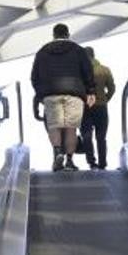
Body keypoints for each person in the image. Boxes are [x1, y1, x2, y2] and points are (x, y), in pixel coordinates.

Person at [30, 23, 96, 172]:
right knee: (71, 129)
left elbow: (34, 77)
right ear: (67, 34)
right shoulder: (78, 50)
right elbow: (87, 71)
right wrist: (90, 91)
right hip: (74, 93)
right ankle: (70, 161)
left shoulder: (42, 52)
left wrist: (41, 94)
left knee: (55, 127)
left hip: (51, 93)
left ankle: (58, 152)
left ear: (53, 35)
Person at [81, 47, 117, 170]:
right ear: (94, 55)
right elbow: (112, 88)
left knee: (86, 134)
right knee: (101, 137)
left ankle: (91, 162)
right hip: (101, 106)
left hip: (85, 106)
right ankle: (103, 163)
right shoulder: (104, 70)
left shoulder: (80, 71)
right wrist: (105, 99)